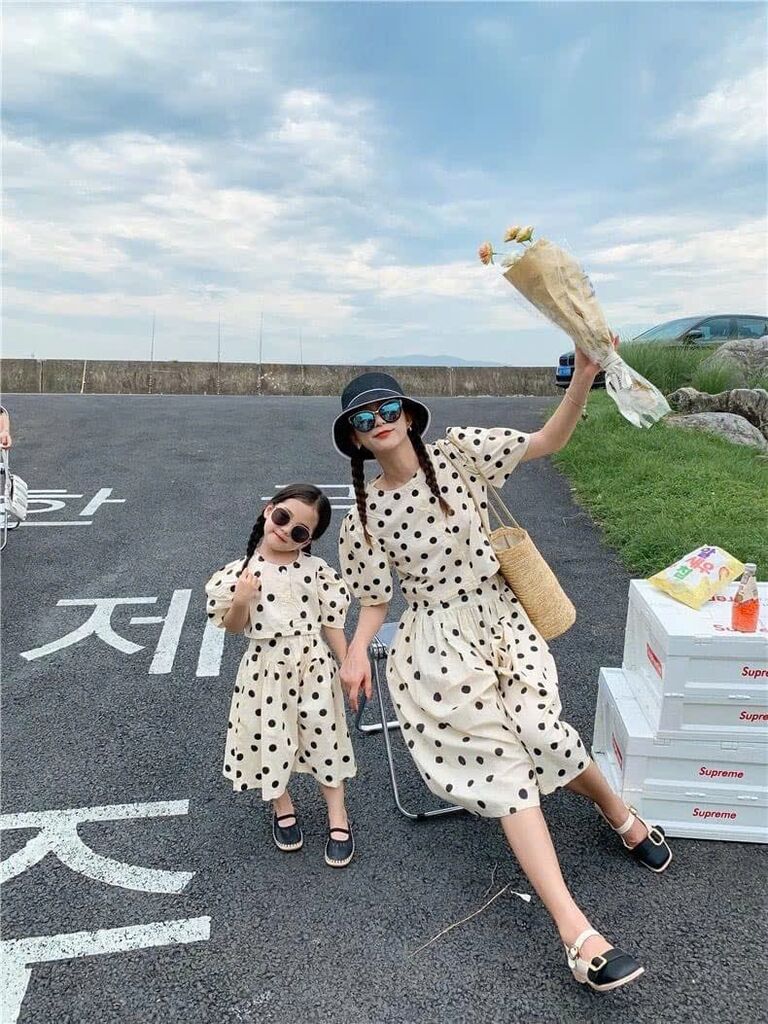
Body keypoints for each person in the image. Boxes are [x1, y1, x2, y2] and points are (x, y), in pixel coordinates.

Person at [333, 365, 672, 991]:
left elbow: (547, 441)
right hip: (435, 645)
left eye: (387, 409)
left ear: (407, 414)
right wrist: (355, 652)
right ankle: (578, 935)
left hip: (502, 620)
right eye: (363, 418)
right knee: (503, 768)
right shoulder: (362, 516)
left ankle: (618, 811)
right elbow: (375, 600)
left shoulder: (460, 453)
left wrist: (583, 376)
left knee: (544, 734)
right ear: (354, 437)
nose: (378, 422)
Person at [205, 484, 357, 867]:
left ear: (309, 540)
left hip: (314, 667)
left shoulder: (316, 571)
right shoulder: (240, 573)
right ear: (268, 509)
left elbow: (332, 623)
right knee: (269, 737)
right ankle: (282, 805)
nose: (286, 530)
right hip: (266, 669)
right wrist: (241, 599)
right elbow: (234, 627)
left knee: (325, 738)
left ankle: (338, 815)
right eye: (283, 517)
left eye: (299, 531)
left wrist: (347, 664)